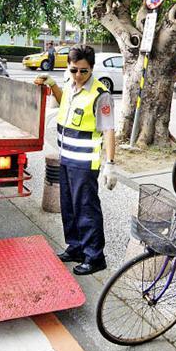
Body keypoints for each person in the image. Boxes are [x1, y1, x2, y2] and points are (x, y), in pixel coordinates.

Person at [34, 45, 117, 275]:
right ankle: (76, 247)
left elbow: (109, 130)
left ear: (91, 69)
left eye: (84, 71)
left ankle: (95, 256)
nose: (78, 75)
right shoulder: (70, 87)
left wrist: (110, 164)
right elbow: (63, 103)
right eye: (74, 70)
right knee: (68, 206)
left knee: (86, 209)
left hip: (85, 163)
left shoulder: (101, 95)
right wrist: (52, 85)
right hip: (66, 158)